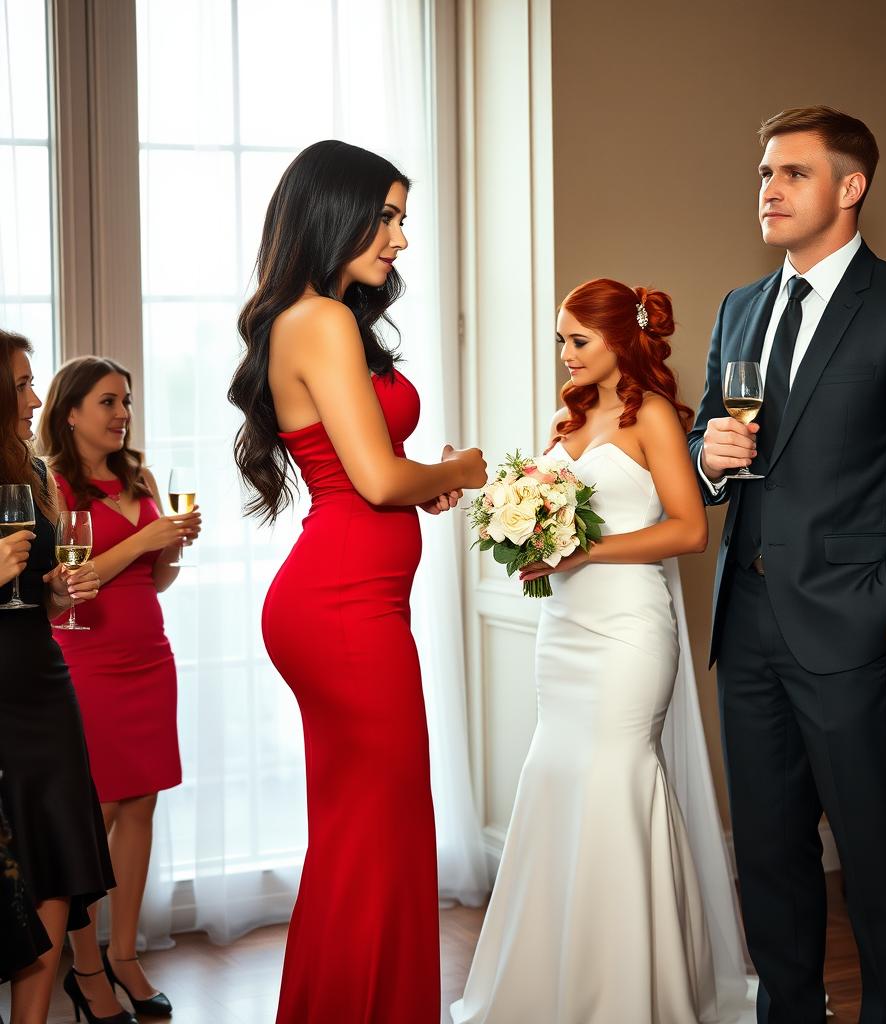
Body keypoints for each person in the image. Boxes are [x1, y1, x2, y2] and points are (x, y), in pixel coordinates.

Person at [688, 106, 886, 1023]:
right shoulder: (739, 306)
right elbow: (707, 433)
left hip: (854, 625)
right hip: (749, 626)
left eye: (794, 173)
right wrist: (709, 458)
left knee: (878, 862)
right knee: (769, 858)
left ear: (851, 188)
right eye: (765, 172)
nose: (768, 188)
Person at [227, 139, 486, 1024]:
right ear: (332, 211)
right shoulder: (322, 320)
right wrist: (463, 471)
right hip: (341, 606)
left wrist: (426, 479)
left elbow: (372, 473)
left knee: (369, 832)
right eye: (386, 216)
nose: (400, 239)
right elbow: (377, 482)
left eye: (403, 217)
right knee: (379, 833)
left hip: (353, 596)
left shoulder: (323, 318)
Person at [451, 279, 754, 1024]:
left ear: (625, 338)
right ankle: (552, 988)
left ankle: (634, 993)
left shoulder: (650, 415)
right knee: (556, 779)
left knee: (618, 781)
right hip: (564, 633)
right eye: (562, 340)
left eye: (578, 340)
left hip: (627, 632)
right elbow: (549, 520)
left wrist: (582, 549)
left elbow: (690, 530)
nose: (567, 353)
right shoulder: (567, 417)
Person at [36, 355, 201, 1021]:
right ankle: (85, 967)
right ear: (70, 411)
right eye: (107, 401)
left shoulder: (141, 476)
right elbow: (63, 585)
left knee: (140, 809)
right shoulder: (51, 485)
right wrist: (144, 541)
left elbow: (153, 580)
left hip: (148, 658)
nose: (122, 413)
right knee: (91, 817)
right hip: (87, 663)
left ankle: (126, 954)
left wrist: (173, 548)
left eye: (126, 400)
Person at [0, 329, 117, 1024]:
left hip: (42, 684)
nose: (36, 397)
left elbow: (40, 593)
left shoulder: (36, 473)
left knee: (52, 857)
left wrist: (56, 591)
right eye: (20, 384)